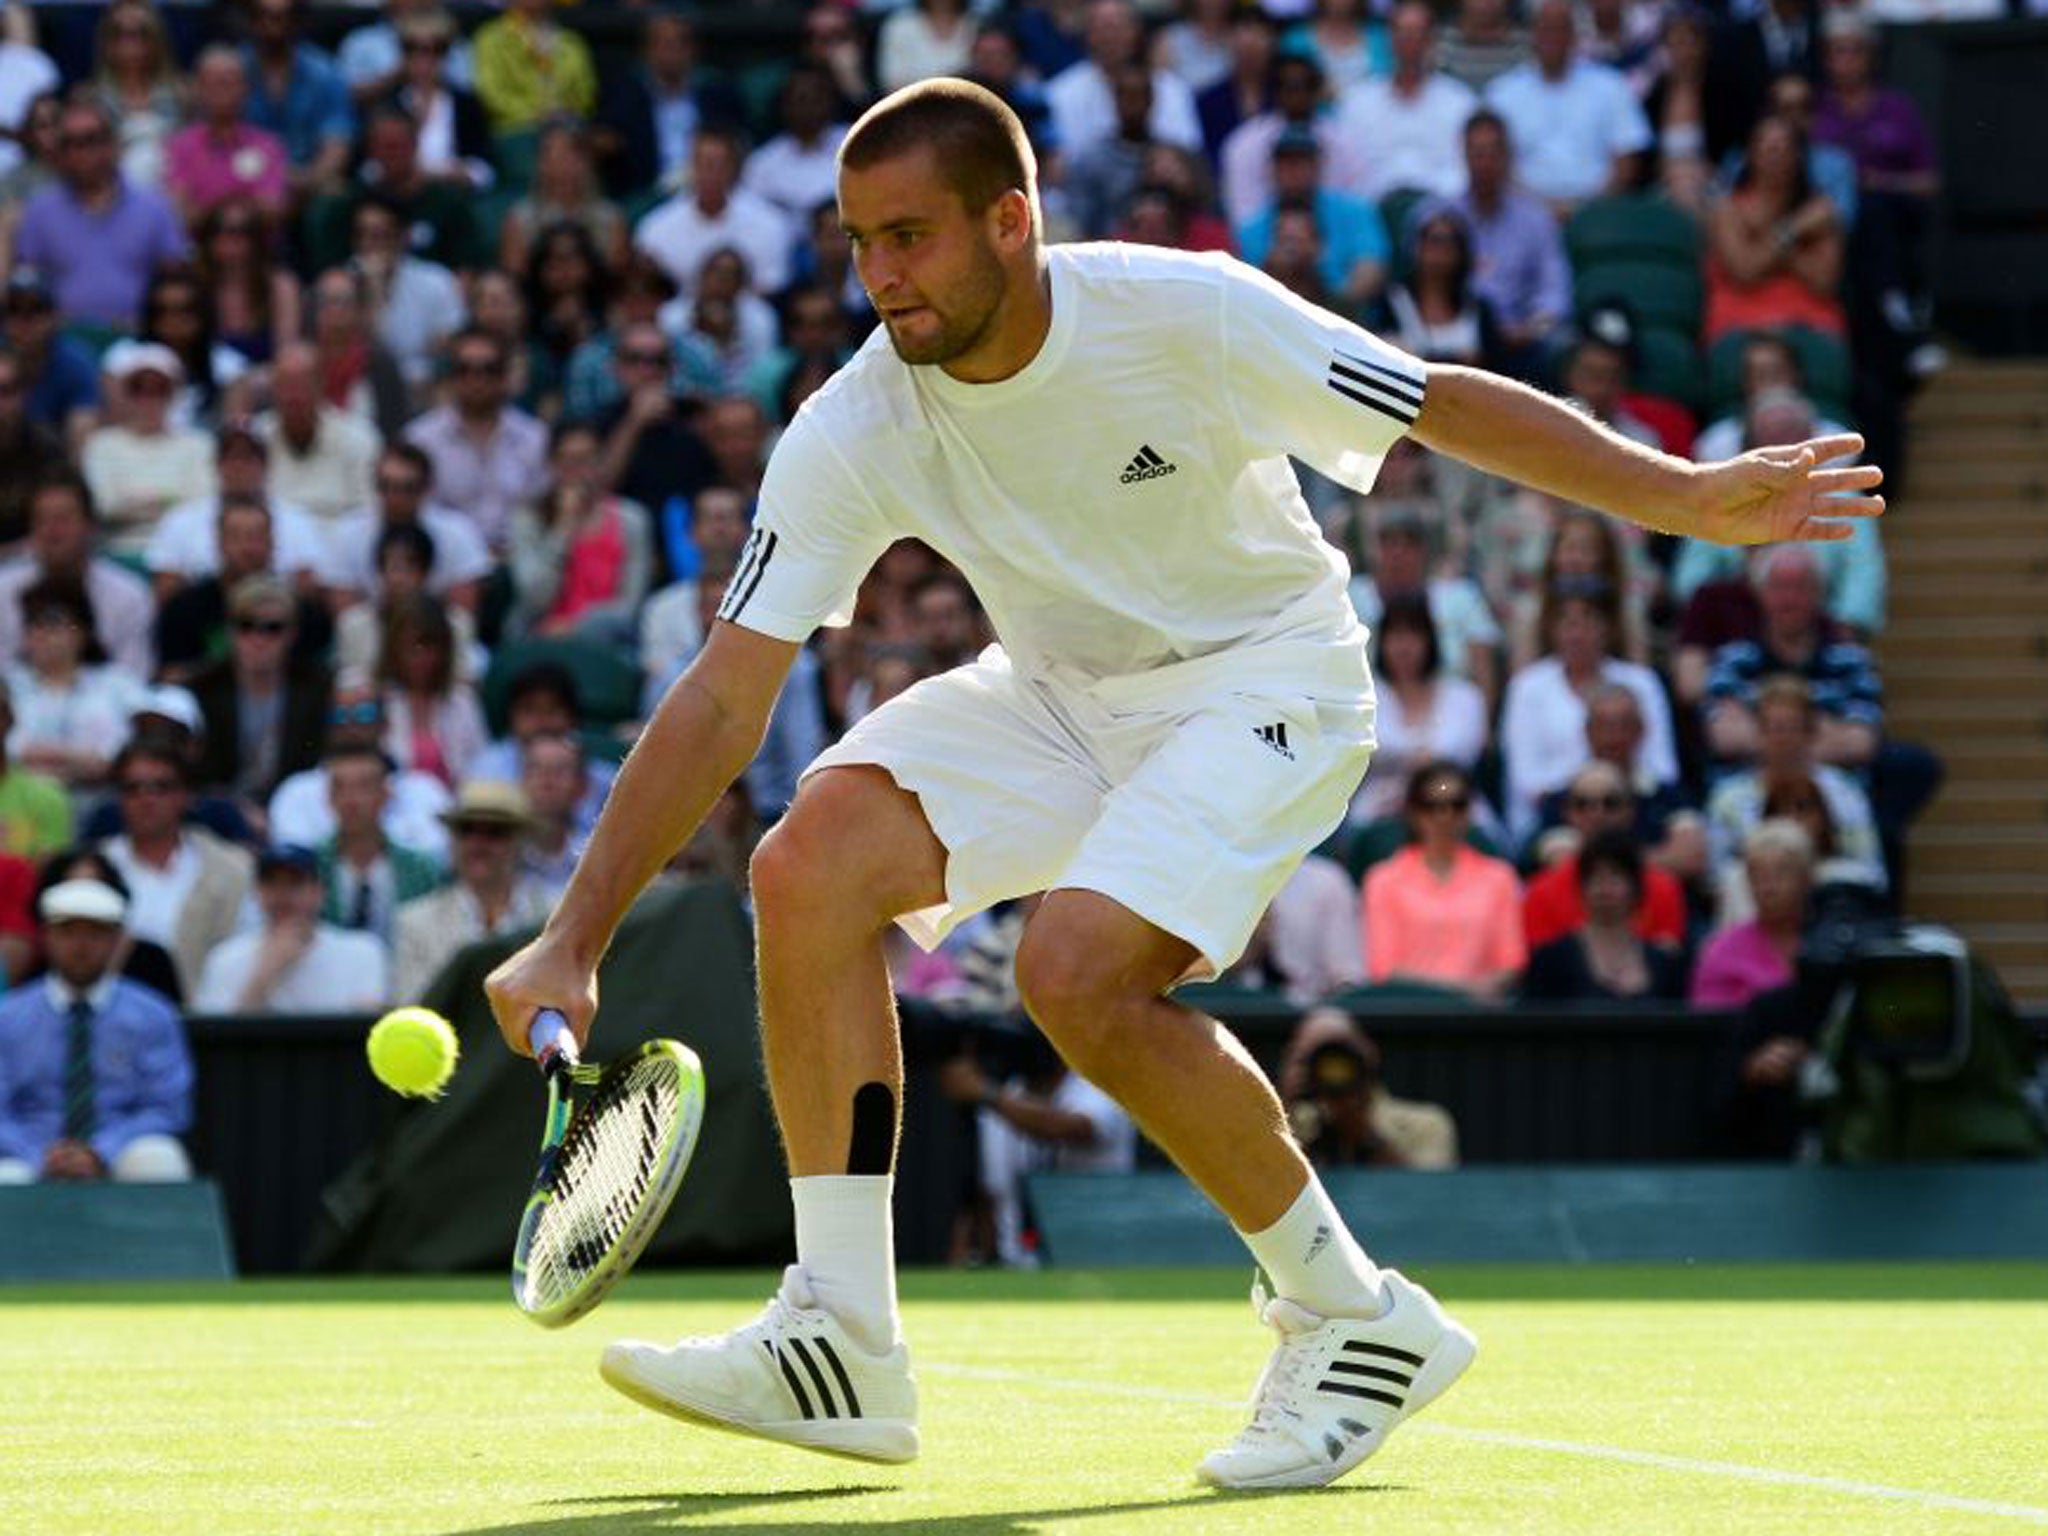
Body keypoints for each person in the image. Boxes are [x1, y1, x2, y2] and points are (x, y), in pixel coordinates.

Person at [481, 80, 1880, 1489]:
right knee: (806, 866)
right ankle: (841, 1340)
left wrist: (1685, 495)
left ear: (1010, 221)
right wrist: (573, 933)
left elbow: (1434, 405)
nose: (880, 275)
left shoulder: (1186, 310)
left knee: (1078, 972)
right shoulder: (859, 417)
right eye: (857, 243)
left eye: (909, 236)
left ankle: (1354, 1315)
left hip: (1267, 677)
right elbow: (728, 688)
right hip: (1060, 693)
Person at [0, 875, 192, 1185]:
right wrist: (40, 1155)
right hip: (31, 1150)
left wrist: (101, 1151)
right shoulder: (8, 1017)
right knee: (5, 1178)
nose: (81, 946)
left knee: (159, 1159)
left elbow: (167, 1107)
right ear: (46, 936)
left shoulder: (153, 1014)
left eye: (95, 934)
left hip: (119, 1146)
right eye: (68, 932)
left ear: (118, 940)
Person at [100, 737, 256, 998]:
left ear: (186, 795)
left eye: (161, 787)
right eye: (133, 787)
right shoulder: (93, 867)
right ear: (119, 798)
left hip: (206, 1023)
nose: (146, 798)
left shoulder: (233, 868)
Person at [1364, 760, 1525, 999]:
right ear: (1413, 812)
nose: (1444, 816)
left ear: (1469, 811)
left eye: (1457, 805)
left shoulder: (1500, 878)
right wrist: (1459, 992)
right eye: (1431, 805)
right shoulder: (1383, 880)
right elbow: (1383, 968)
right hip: (1406, 1016)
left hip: (1480, 1018)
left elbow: (1511, 963)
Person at [394, 780, 549, 1001]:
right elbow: (413, 1007)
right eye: (467, 830)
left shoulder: (553, 918)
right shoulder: (415, 922)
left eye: (495, 832)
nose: (478, 844)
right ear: (453, 840)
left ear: (520, 841)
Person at [194, 842, 389, 1013]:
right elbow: (219, 1043)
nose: (282, 895)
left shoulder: (362, 952)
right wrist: (265, 973)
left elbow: (363, 1031)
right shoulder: (225, 958)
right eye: (271, 883)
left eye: (294, 883)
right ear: (257, 892)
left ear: (318, 892)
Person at [1277, 1007, 1458, 1168]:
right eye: (1313, 1059)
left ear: (1368, 1055)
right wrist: (1283, 1104)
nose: (1330, 1069)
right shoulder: (1287, 1128)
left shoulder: (1427, 1125)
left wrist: (1364, 1133)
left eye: (1340, 1056)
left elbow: (1429, 1196)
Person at [1521, 828, 1688, 1002]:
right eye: (1595, 878)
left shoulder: (1665, 964)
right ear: (1581, 888)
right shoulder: (1551, 961)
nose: (1604, 887)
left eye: (1615, 877)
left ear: (1636, 888)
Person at [315, 742, 443, 945]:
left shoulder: (420, 868)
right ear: (328, 797)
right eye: (339, 787)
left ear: (385, 795)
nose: (350, 800)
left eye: (363, 787)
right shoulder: (311, 866)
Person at [1691, 818, 1812, 1009]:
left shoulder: (1830, 940)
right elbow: (1709, 1026)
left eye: (1781, 873)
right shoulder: (1721, 951)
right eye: (1758, 876)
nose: (1769, 887)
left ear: (1806, 878)